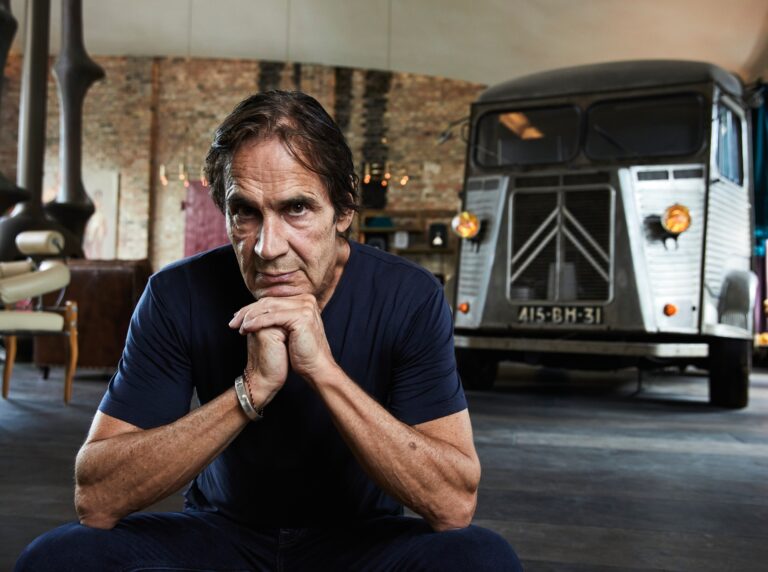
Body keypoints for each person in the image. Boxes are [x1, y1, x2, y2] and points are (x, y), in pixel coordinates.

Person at [15, 91, 522, 571]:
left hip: (360, 542)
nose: (267, 248)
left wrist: (322, 371)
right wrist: (251, 390)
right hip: (222, 534)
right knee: (59, 557)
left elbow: (453, 504)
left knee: (481, 558)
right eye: (246, 213)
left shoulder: (409, 296)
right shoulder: (176, 294)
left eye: (296, 209)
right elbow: (96, 498)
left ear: (344, 210)